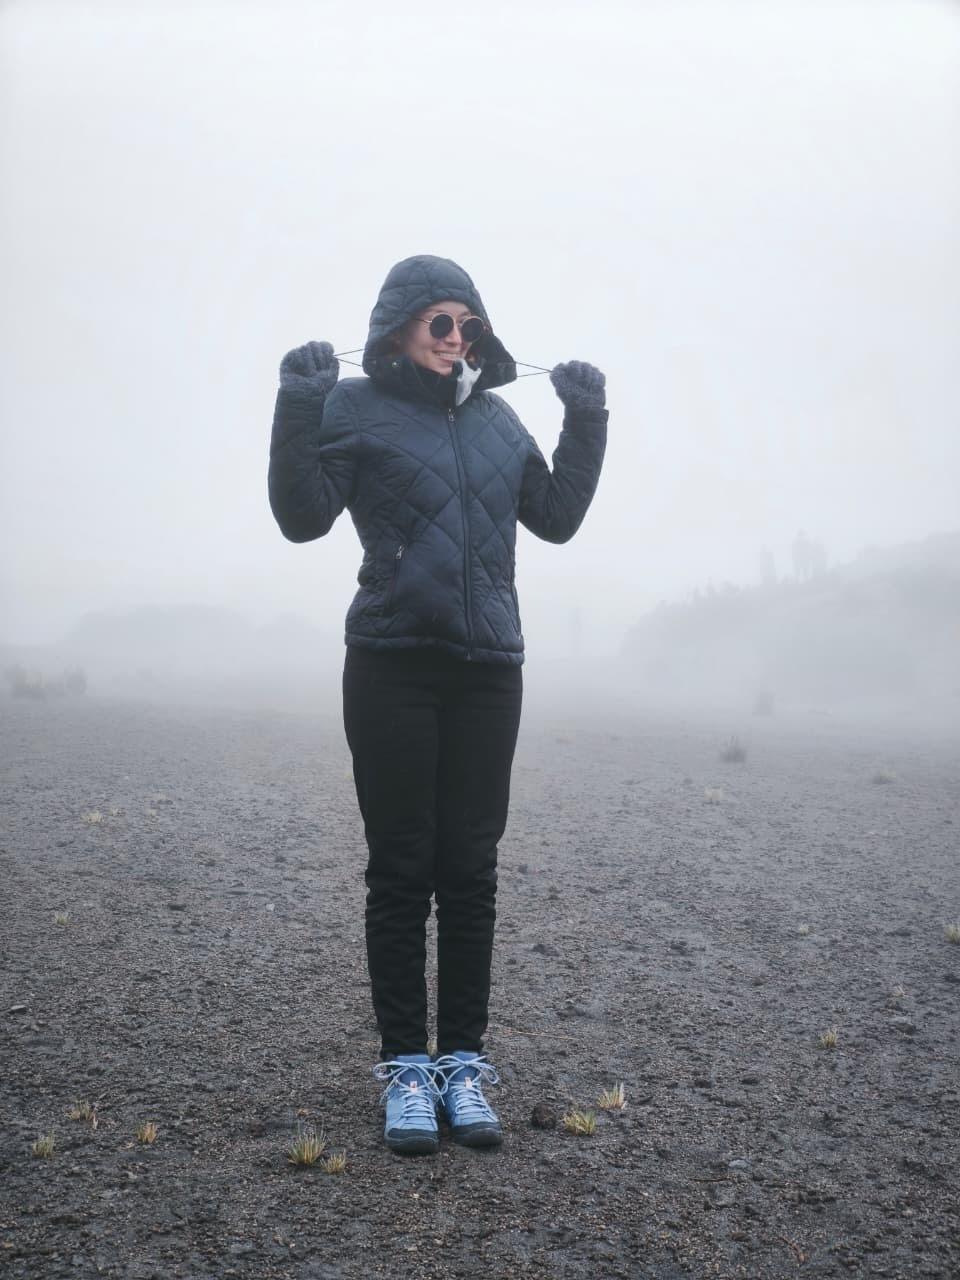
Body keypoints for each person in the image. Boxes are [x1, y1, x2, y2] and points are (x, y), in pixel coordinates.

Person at [268, 254, 607, 1155]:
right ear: (400, 327)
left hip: (489, 671)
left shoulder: (498, 421)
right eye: (441, 322)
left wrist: (587, 419)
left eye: (470, 325)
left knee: (470, 871)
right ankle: (404, 1071)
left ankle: (462, 1063)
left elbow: (557, 516)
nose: (458, 338)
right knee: (402, 867)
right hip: (392, 665)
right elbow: (301, 516)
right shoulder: (352, 406)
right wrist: (297, 404)